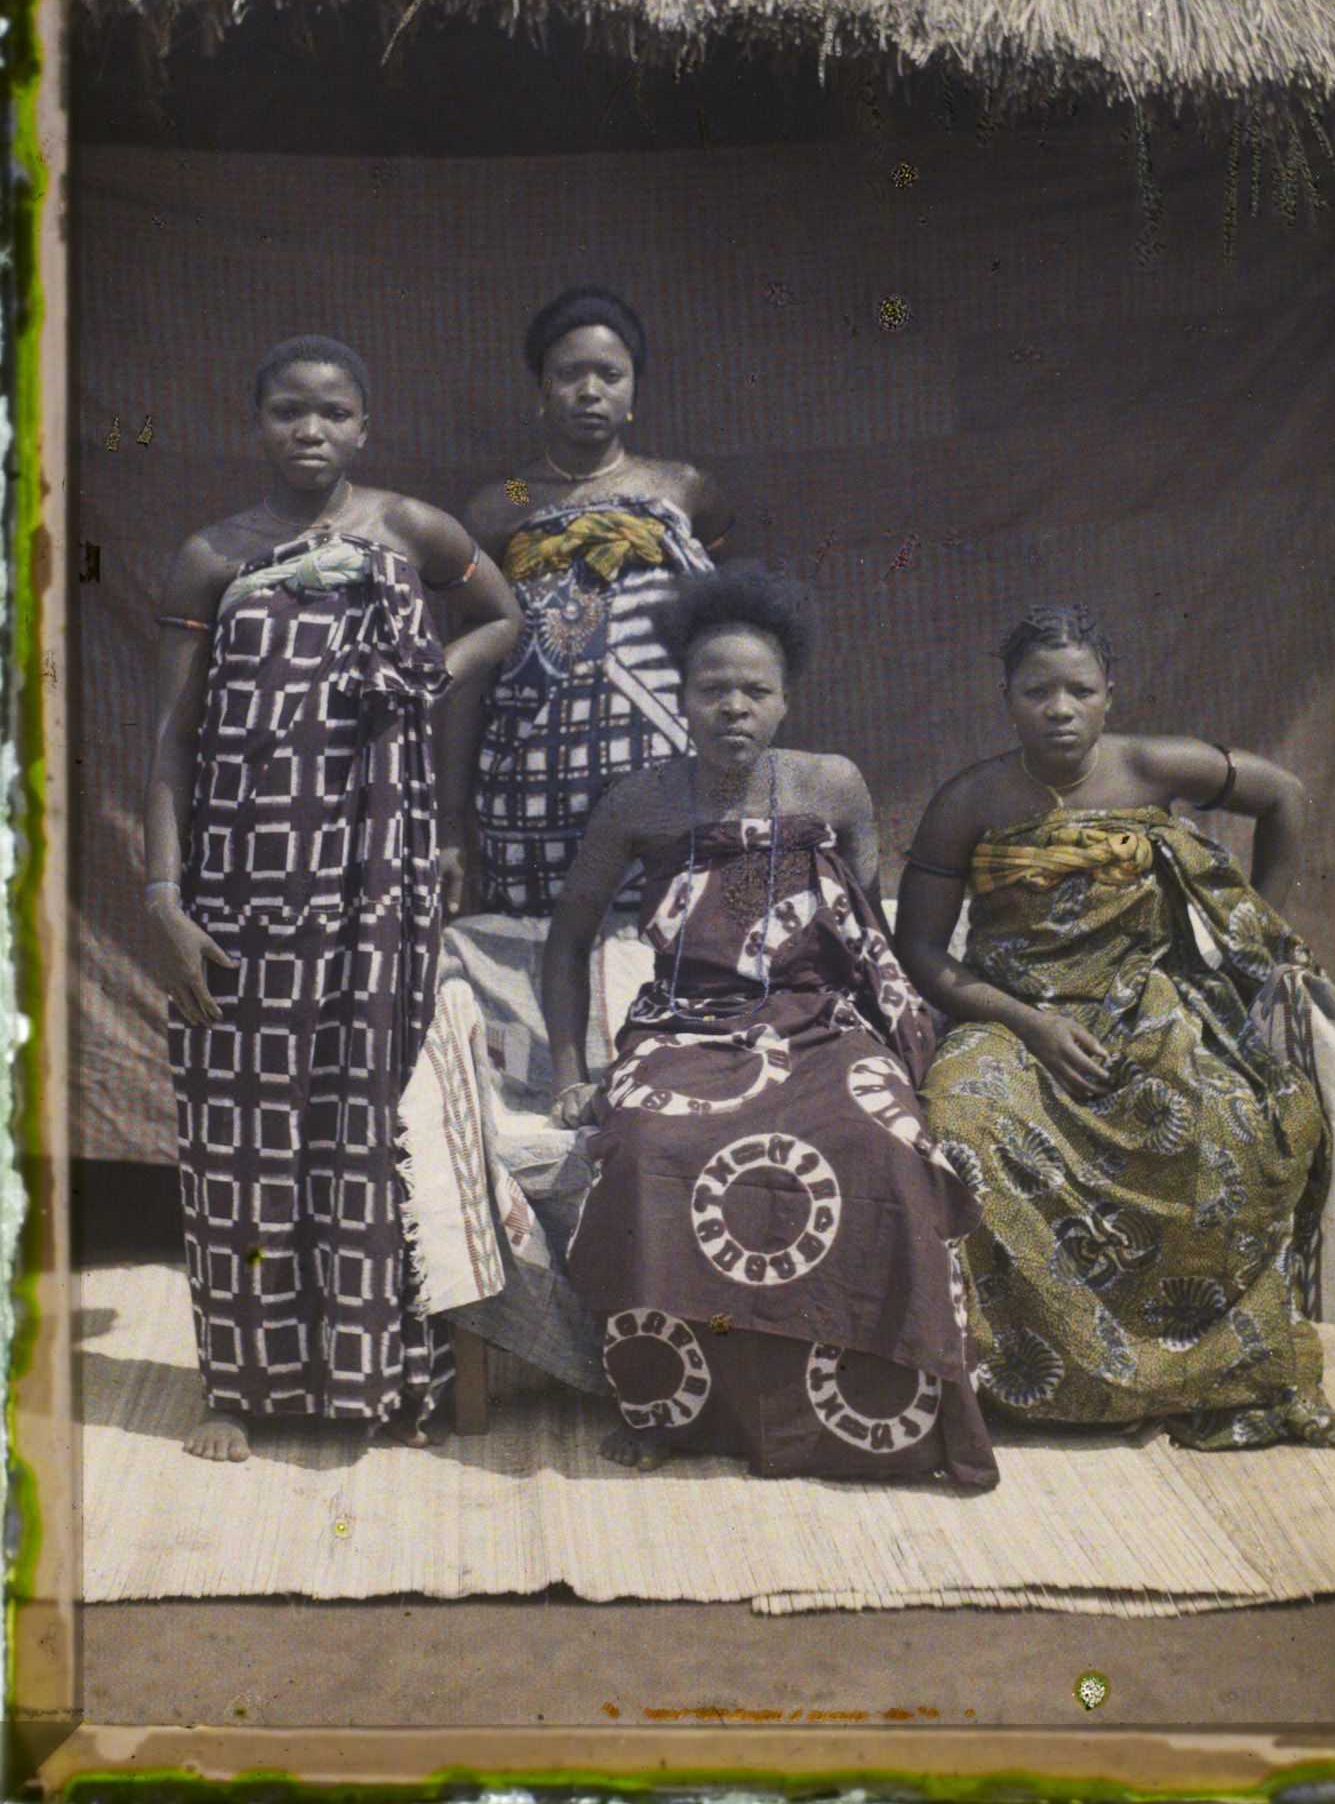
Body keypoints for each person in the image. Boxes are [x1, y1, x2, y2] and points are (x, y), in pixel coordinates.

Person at [144, 335, 521, 1462]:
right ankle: (237, 1384)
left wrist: (428, 678)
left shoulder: (414, 532)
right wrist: (164, 895)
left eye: (332, 412)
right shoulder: (211, 556)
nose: (309, 430)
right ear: (255, 423)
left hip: (379, 875)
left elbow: (504, 618)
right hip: (243, 879)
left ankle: (374, 1374)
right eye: (287, 412)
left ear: (365, 423)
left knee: (364, 1120)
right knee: (239, 1132)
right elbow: (172, 734)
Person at [541, 562, 998, 1487]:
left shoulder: (832, 787)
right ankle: (668, 1405)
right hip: (684, 1025)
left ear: (787, 703)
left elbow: (862, 931)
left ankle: (872, 1412)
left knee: (886, 1147)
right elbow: (567, 940)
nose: (733, 709)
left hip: (817, 1020)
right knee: (643, 1146)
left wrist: (890, 1053)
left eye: (755, 691)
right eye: (712, 690)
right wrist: (566, 1069)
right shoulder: (640, 802)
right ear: (680, 697)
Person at [895, 604, 1335, 1452]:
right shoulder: (967, 800)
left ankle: (1212, 1370)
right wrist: (1030, 1023)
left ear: (1109, 697)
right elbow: (920, 949)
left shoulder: (1153, 766)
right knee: (963, 1123)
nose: (1059, 709)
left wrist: (1254, 939)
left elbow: (1285, 797)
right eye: (1036, 691)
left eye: (1078, 690)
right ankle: (1031, 1376)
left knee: (1244, 1123)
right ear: (1005, 698)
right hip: (1014, 1017)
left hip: (1147, 1004)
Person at [452, 287, 733, 919]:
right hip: (529, 781)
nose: (589, 390)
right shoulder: (507, 500)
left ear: (634, 391)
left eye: (610, 374)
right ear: (541, 391)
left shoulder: (679, 485)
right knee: (543, 956)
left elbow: (726, 625)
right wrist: (450, 821)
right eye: (569, 374)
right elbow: (468, 672)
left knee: (678, 941)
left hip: (670, 775)